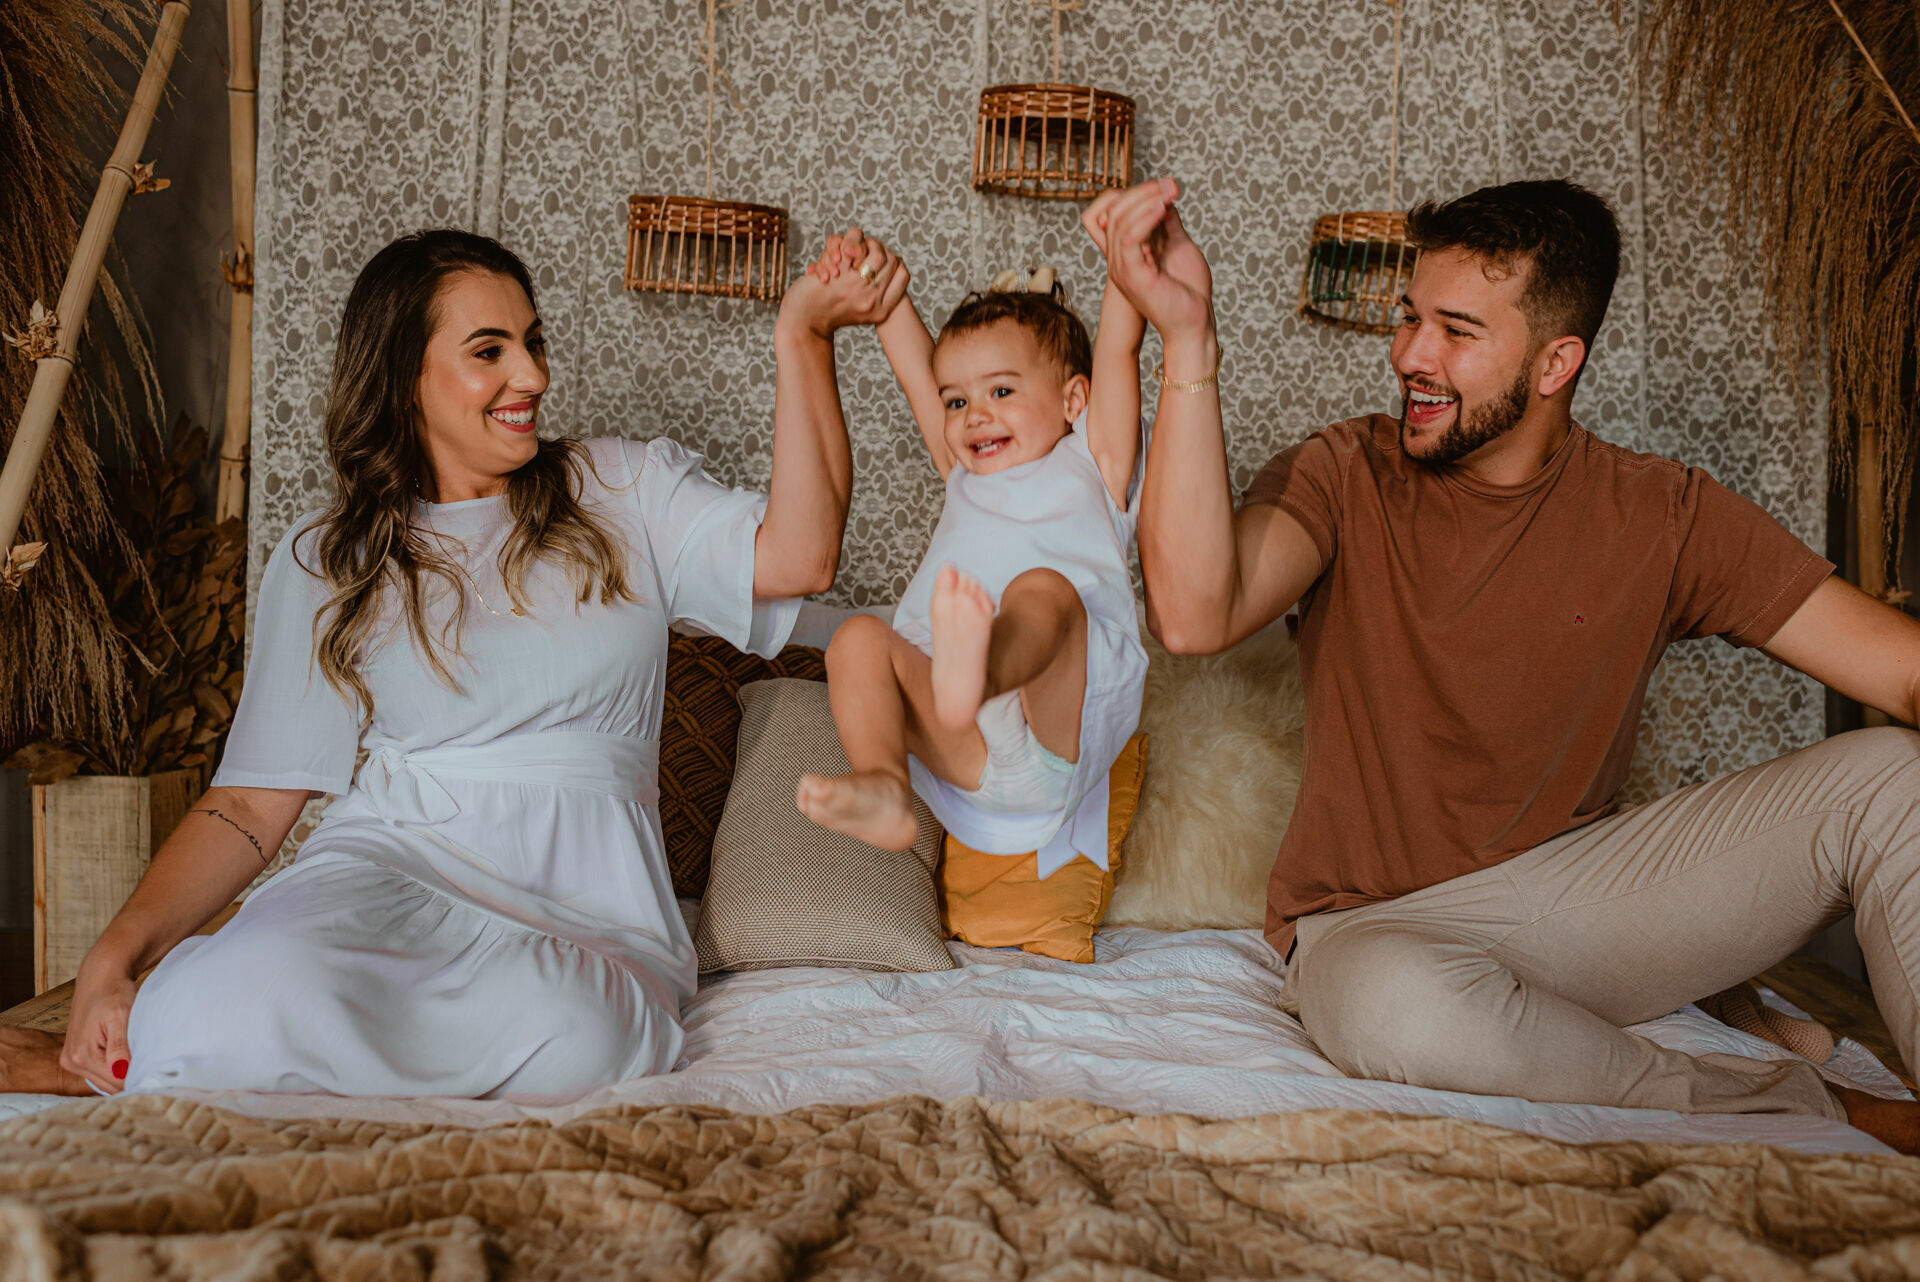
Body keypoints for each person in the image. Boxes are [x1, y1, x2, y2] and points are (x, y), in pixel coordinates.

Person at [1091, 175, 1920, 1153]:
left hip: (1581, 905)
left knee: (1892, 777)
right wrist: (1188, 341)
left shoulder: (1663, 512)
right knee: (1393, 1009)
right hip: (1371, 929)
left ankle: (1722, 1004)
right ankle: (1804, 1101)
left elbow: (1900, 671)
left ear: (1555, 361)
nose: (1410, 354)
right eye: (1409, 319)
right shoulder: (1345, 472)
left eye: (1456, 330)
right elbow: (1194, 616)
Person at [0, 226, 906, 1101]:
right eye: (491, 351)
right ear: (406, 381)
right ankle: (137, 1047)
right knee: (223, 993)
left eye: (532, 341)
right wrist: (112, 958)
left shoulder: (619, 490)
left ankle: (211, 1059)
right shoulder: (331, 559)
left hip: (585, 917)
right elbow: (248, 805)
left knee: (585, 1040)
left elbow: (803, 557)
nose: (533, 375)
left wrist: (805, 335)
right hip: (388, 869)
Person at [792, 221, 1148, 882]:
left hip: (1051, 723)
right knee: (857, 639)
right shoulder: (964, 470)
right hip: (963, 750)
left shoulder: (1096, 462)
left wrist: (1128, 258)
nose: (974, 414)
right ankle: (883, 784)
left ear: (1074, 399)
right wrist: (875, 280)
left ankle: (978, 668)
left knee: (1043, 591)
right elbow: (912, 367)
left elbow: (1121, 347)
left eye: (1002, 391)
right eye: (958, 400)